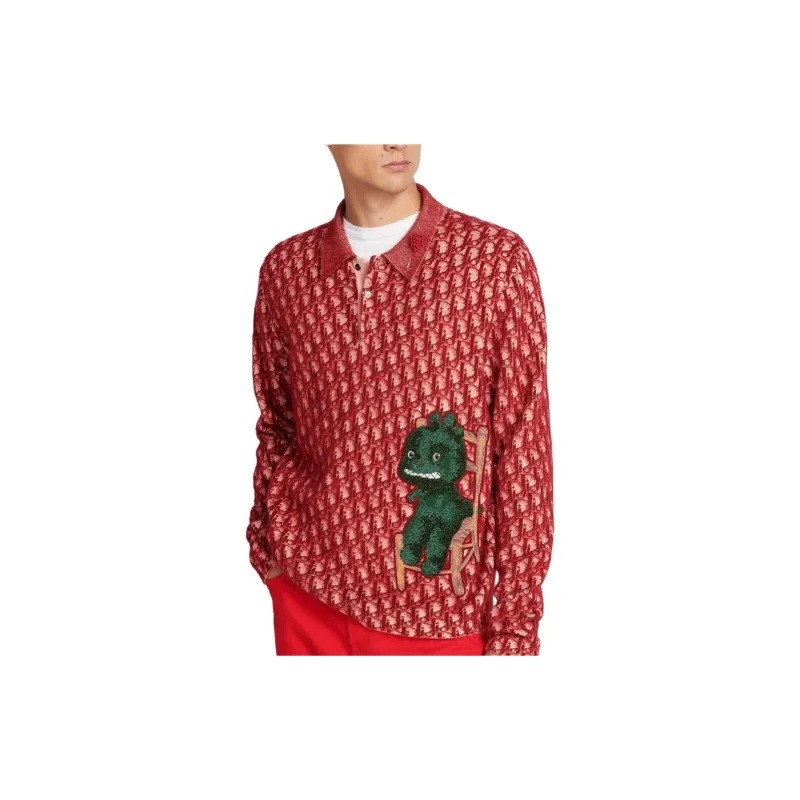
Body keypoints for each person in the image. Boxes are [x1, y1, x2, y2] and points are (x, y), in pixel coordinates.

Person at [246, 144, 554, 655]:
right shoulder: (287, 270)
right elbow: (278, 424)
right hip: (307, 598)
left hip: (440, 619)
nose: (397, 138)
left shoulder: (493, 262)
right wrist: (268, 551)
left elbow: (523, 452)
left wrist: (516, 631)